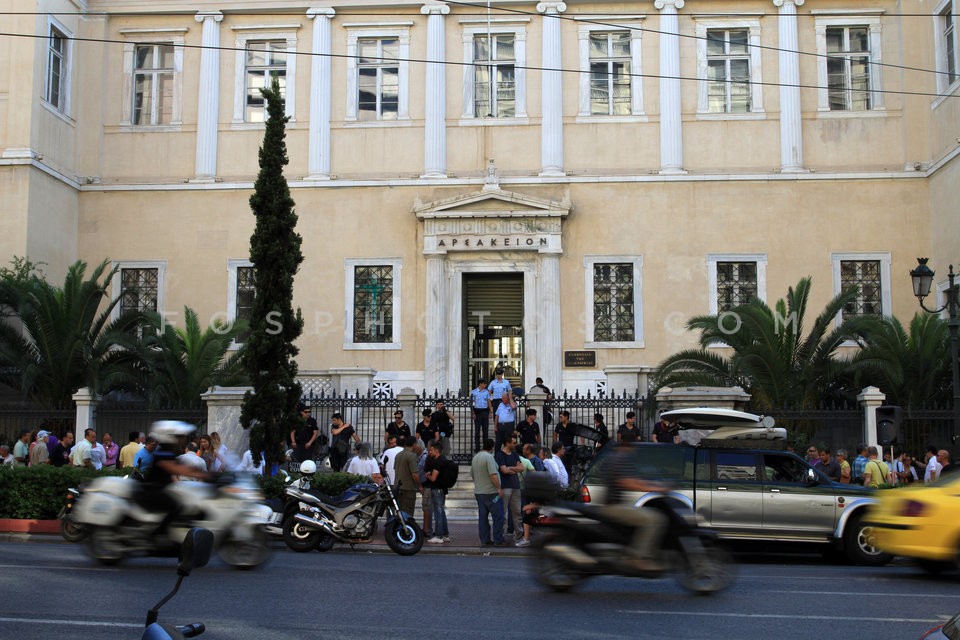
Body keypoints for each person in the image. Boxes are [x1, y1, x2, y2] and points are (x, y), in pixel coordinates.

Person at [599, 443, 668, 571]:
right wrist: (657, 488)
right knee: (654, 519)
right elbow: (628, 482)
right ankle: (636, 557)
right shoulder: (620, 459)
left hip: (612, 505)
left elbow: (633, 480)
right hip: (613, 507)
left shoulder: (611, 457)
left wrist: (654, 485)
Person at [139, 421, 210, 537]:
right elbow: (175, 468)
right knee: (176, 506)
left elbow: (181, 466)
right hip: (154, 490)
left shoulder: (168, 451)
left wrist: (195, 470)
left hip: (164, 488)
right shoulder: (163, 452)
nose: (182, 439)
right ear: (169, 437)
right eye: (178, 436)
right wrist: (205, 475)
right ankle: (157, 534)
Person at [471, 438, 505, 546]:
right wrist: (499, 488)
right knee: (498, 516)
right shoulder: (489, 457)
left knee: (483, 517)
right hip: (491, 493)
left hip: (479, 492)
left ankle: (485, 539)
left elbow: (472, 474)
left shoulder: (475, 457)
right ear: (492, 448)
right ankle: (498, 539)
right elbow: (493, 475)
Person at [495, 434, 524, 544]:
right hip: (505, 486)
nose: (515, 444)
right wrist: (514, 469)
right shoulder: (500, 454)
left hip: (516, 486)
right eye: (513, 442)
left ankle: (519, 536)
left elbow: (521, 468)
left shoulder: (515, 454)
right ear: (507, 443)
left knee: (517, 513)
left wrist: (511, 468)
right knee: (503, 512)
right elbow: (503, 470)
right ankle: (500, 535)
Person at [424, 440, 452, 544]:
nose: (429, 452)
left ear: (436, 451)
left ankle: (439, 535)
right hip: (442, 488)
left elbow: (433, 478)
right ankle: (445, 534)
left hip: (437, 489)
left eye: (431, 450)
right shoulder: (444, 459)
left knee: (438, 512)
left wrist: (428, 476)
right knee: (441, 511)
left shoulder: (437, 461)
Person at [393, 436, 422, 517]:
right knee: (408, 512)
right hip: (408, 489)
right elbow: (414, 474)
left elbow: (396, 469)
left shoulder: (398, 455)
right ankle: (406, 528)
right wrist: (420, 486)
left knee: (399, 512)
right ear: (414, 444)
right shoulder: (411, 456)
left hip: (398, 488)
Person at [470, 379, 492, 452]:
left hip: (485, 412)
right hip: (477, 412)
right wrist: (473, 413)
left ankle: (485, 447)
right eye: (484, 384)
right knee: (477, 431)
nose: (485, 385)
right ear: (480, 384)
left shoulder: (486, 392)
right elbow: (472, 403)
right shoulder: (474, 392)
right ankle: (477, 447)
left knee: (485, 431)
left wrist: (491, 412)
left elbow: (489, 401)